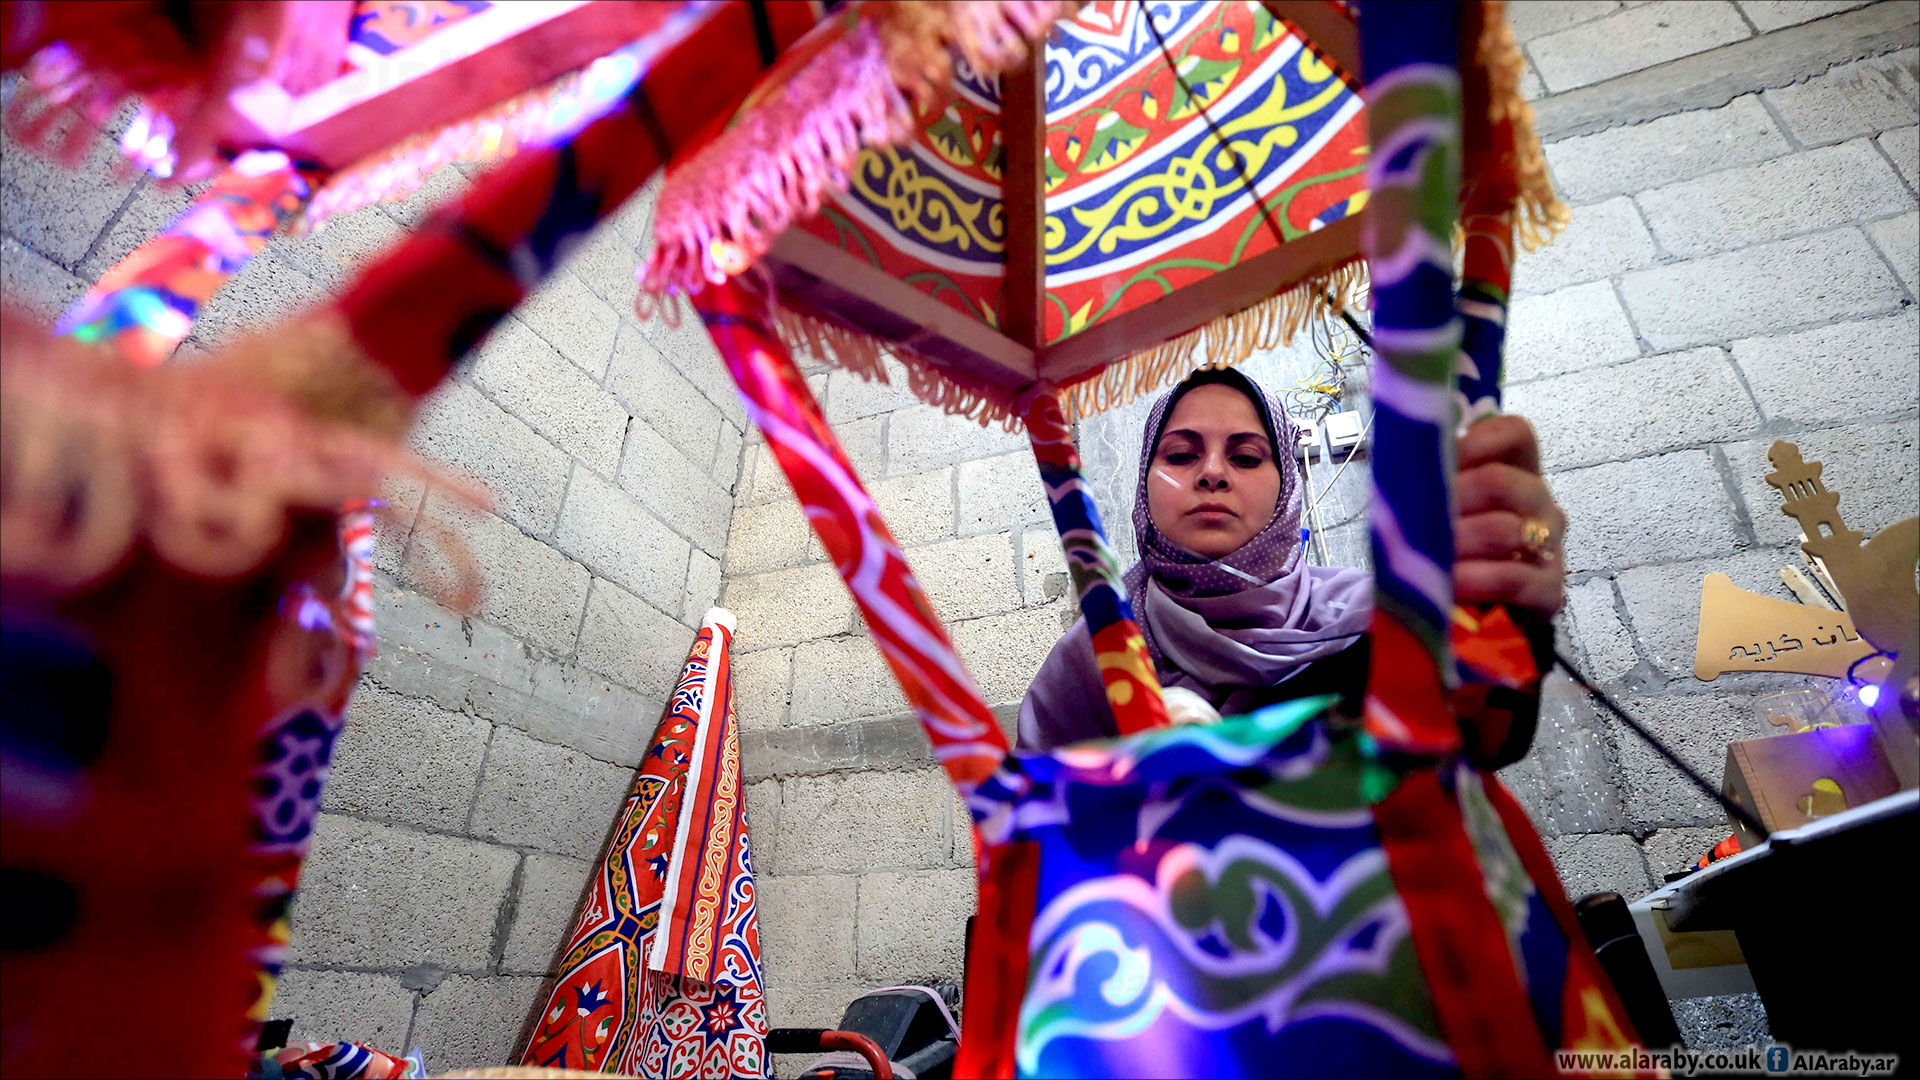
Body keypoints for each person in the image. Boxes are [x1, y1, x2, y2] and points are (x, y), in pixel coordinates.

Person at [1018, 367, 1567, 750]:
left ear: (1288, 486)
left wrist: (1511, 613)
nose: (1212, 473)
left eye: (1246, 457)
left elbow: (1485, 735)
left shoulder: (1373, 615)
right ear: (1144, 482)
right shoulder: (1096, 658)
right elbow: (1034, 839)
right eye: (1181, 455)